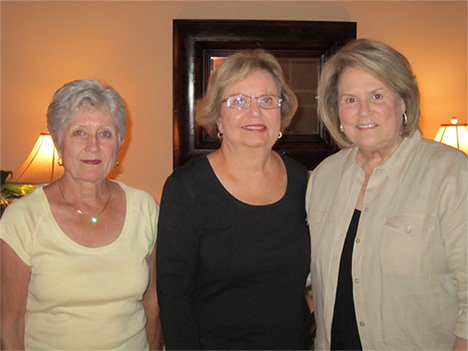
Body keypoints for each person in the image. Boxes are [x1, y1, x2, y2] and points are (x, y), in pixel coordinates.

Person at [306, 39, 467, 350]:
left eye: (377, 96)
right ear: (336, 109)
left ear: (403, 102)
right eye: (350, 99)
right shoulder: (324, 176)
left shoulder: (451, 173)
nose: (363, 111)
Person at [156, 49, 311, 350]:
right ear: (218, 117)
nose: (255, 113)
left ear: (282, 114)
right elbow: (174, 301)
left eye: (267, 100)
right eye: (239, 101)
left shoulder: (300, 181)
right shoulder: (186, 189)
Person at [0, 79, 163, 350]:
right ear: (58, 142)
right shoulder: (22, 220)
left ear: (119, 143)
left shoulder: (145, 208)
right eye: (79, 132)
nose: (93, 146)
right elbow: (9, 325)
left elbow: (153, 302)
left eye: (105, 133)